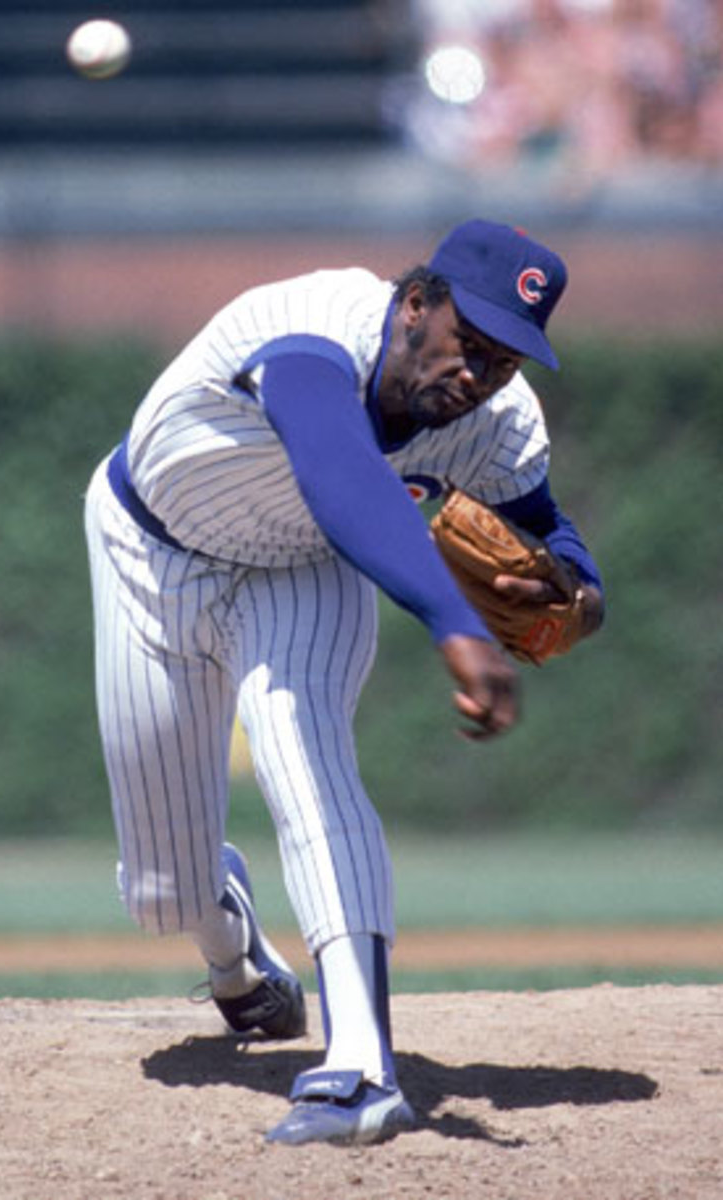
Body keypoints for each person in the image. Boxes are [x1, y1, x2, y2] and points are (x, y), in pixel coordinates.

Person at [84, 219, 604, 1146]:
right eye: (469, 344)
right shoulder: (313, 325)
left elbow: (551, 533)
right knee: (163, 894)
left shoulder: (498, 424)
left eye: (505, 361)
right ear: (415, 306)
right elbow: (338, 473)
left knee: (305, 755)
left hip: (302, 573)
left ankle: (361, 1065)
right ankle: (230, 945)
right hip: (149, 553)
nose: (479, 376)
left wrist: (578, 591)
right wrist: (453, 622)